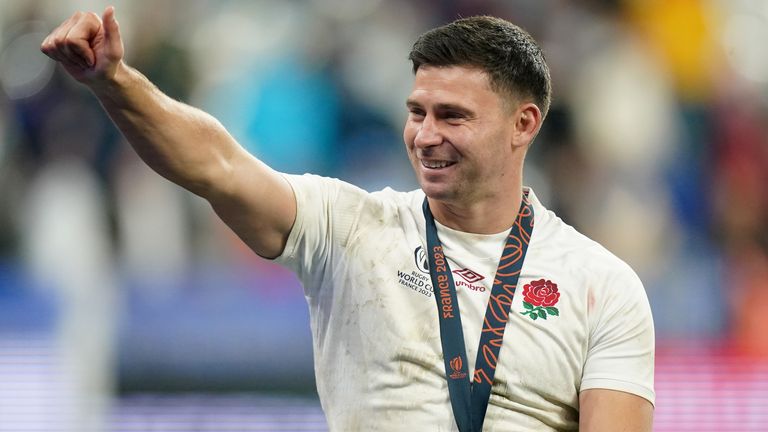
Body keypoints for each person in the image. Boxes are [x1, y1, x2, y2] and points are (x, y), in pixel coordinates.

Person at [41, 7, 655, 431]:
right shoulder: (352, 227)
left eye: (453, 116)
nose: (425, 135)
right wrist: (114, 83)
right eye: (417, 111)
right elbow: (216, 166)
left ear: (524, 124)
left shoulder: (601, 286)